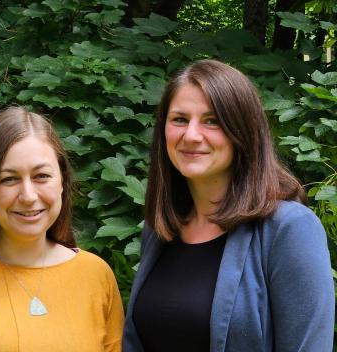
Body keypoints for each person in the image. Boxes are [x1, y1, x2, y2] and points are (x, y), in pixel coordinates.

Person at [123, 59, 335, 352]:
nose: (191, 135)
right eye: (180, 119)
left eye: (212, 121)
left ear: (243, 131)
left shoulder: (288, 229)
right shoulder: (160, 232)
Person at [0, 106, 124, 352]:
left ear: (62, 182)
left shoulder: (96, 276)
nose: (27, 196)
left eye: (41, 176)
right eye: (8, 179)